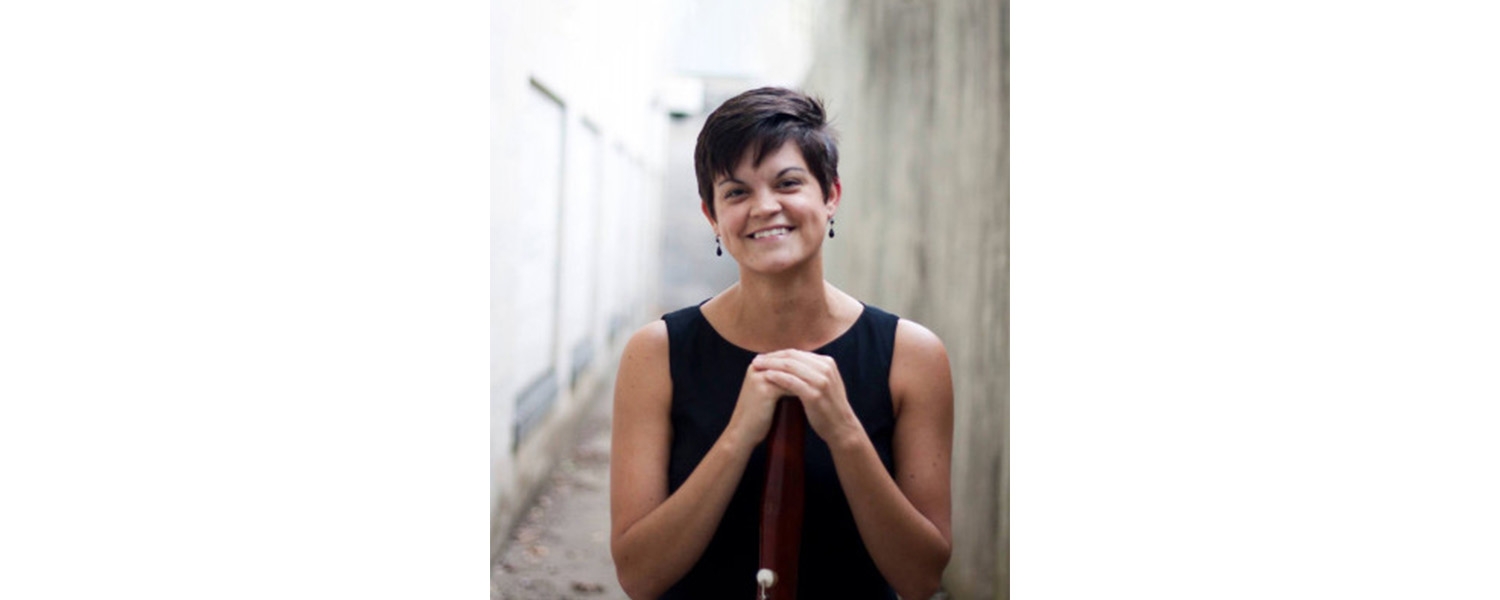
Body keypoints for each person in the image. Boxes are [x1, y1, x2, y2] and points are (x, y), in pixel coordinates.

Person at [609, 87, 953, 599]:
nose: (765, 207)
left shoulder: (911, 355)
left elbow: (921, 578)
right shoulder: (656, 354)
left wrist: (845, 433)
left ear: (830, 195)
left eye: (788, 183)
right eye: (736, 192)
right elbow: (638, 577)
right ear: (712, 216)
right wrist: (737, 438)